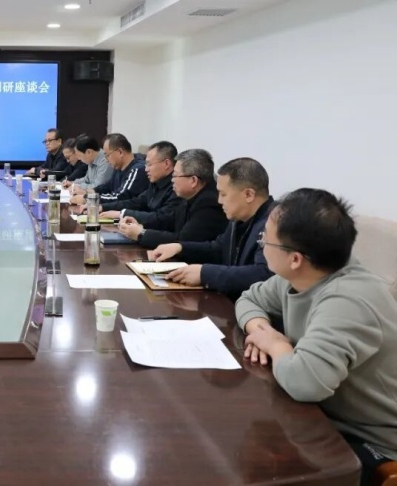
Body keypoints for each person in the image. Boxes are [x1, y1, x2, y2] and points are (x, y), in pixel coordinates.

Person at [236, 188, 397, 485]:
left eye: (265, 240)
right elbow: (249, 299)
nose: (262, 245)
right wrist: (260, 329)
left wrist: (276, 344)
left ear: (295, 258)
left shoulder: (347, 299)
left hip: (373, 439)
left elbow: (305, 383)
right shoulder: (302, 275)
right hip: (322, 416)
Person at [151, 157, 274, 297]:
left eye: (223, 194)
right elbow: (218, 248)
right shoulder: (239, 218)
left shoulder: (274, 225)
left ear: (249, 195)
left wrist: (204, 274)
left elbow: (262, 274)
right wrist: (180, 248)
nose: (219, 201)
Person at [118, 149, 226, 248]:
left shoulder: (209, 203)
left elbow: (183, 241)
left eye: (175, 175)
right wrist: (139, 226)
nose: (172, 180)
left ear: (193, 180)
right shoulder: (189, 196)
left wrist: (141, 234)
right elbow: (168, 220)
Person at [98, 141, 180, 226]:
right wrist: (104, 207)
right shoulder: (156, 182)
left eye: (149, 164)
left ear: (166, 163)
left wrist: (122, 214)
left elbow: (161, 218)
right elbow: (137, 202)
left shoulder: (177, 187)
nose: (146, 169)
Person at [70, 133, 148, 208]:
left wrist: (88, 199)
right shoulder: (119, 166)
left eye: (107, 155)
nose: (106, 160)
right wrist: (89, 191)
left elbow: (120, 197)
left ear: (120, 152)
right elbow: (108, 186)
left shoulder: (138, 170)